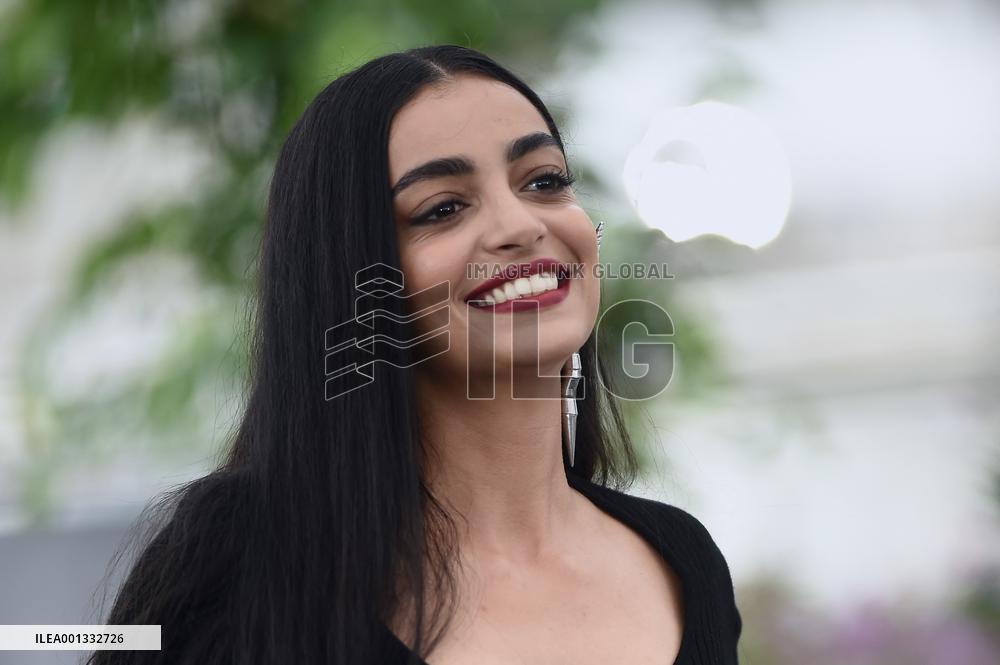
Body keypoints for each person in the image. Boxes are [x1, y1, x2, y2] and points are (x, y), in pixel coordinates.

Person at [87, 44, 742, 665]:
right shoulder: (240, 568)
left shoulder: (682, 562)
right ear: (355, 280)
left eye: (544, 180)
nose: (520, 225)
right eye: (443, 208)